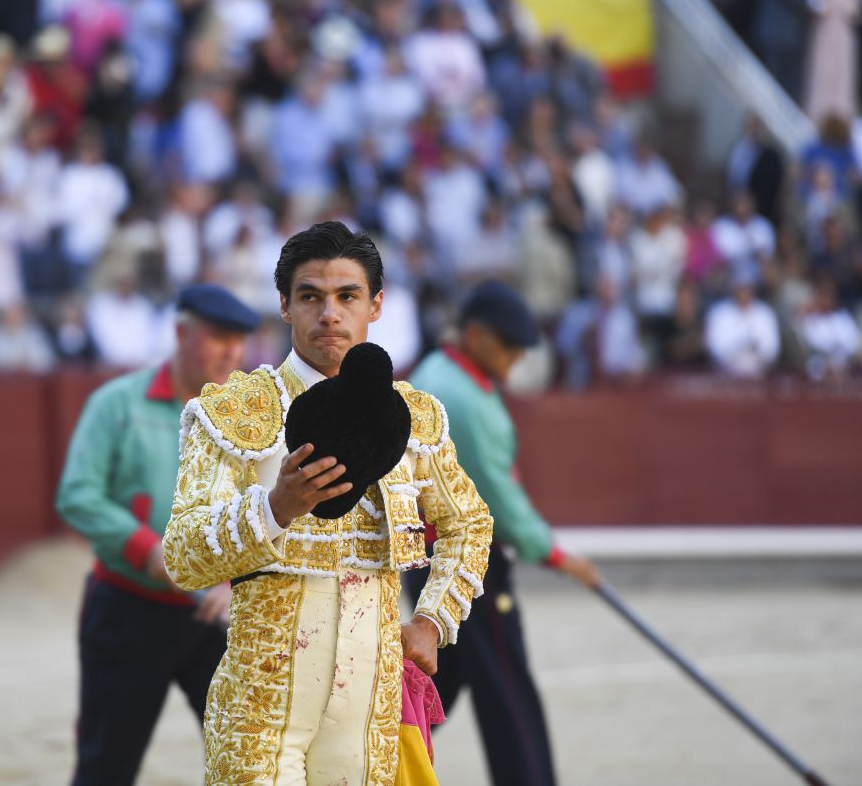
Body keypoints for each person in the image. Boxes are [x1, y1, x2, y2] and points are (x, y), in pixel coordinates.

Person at [161, 221, 493, 785]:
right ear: (285, 306)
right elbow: (184, 557)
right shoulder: (232, 411)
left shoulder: (418, 417)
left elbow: (469, 523)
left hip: (370, 708)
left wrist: (434, 620)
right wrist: (276, 506)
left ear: (377, 304)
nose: (329, 314)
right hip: (259, 706)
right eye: (310, 296)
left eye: (347, 296)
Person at [55, 283, 261, 786]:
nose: (231, 352)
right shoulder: (118, 403)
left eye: (239, 340)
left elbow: (264, 511)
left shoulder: (250, 420)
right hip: (130, 610)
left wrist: (235, 579)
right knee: (107, 764)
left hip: (217, 615)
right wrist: (149, 551)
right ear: (181, 333)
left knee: (253, 762)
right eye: (218, 337)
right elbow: (77, 495)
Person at [406, 281, 600, 786]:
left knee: (442, 678)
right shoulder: (463, 400)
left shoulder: (438, 374)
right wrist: (556, 554)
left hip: (429, 555)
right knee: (506, 686)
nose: (517, 357)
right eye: (509, 345)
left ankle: (369, 761)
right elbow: (502, 505)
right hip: (468, 562)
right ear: (476, 335)